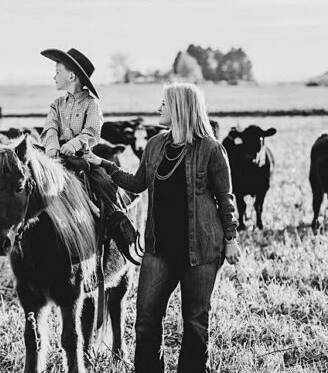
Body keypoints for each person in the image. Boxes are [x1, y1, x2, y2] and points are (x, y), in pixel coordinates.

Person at [84, 83, 242, 373]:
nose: (159, 109)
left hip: (202, 250)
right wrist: (102, 163)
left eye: (165, 104)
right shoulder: (156, 145)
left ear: (180, 109)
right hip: (159, 248)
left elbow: (225, 198)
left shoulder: (211, 149)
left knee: (195, 321)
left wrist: (230, 239)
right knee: (145, 319)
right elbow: (137, 183)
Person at [40, 47, 140, 263]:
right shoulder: (57, 104)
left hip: (83, 159)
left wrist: (75, 144)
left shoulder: (91, 104)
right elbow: (49, 128)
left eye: (57, 71)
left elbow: (92, 131)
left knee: (103, 183)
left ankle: (117, 227)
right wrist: (52, 147)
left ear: (71, 76)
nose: (54, 76)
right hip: (55, 159)